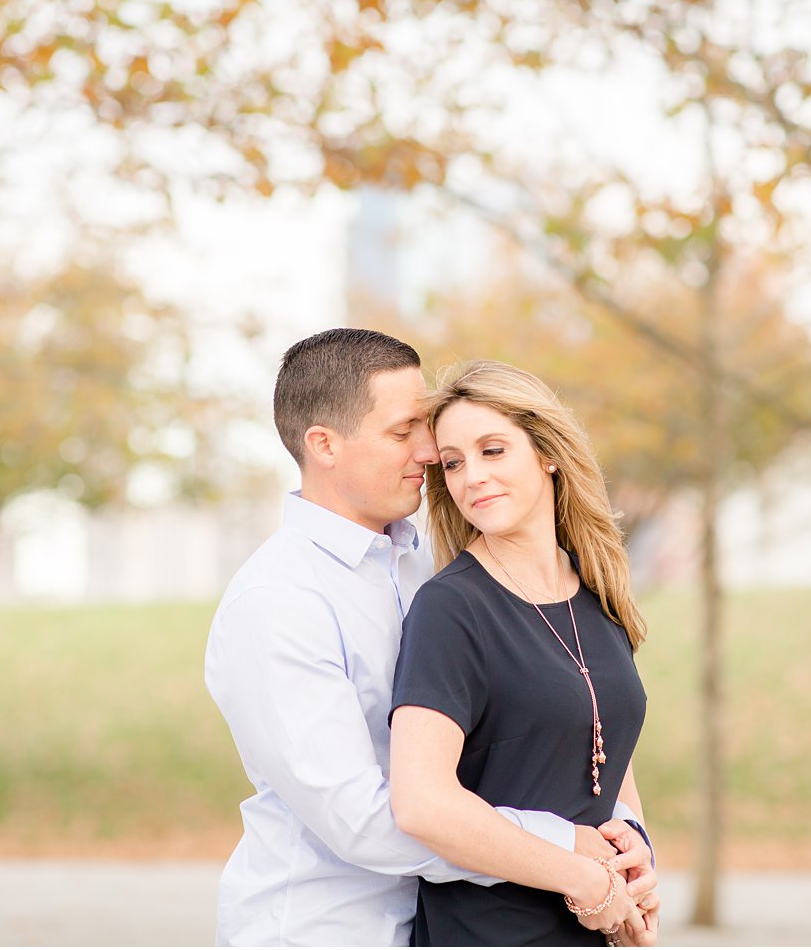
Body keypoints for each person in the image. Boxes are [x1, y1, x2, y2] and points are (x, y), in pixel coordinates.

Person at [204, 330, 655, 946]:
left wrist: (622, 840)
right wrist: (570, 853)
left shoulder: (425, 566)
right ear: (324, 445)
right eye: (402, 432)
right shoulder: (277, 601)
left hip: (442, 918)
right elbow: (361, 819)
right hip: (326, 930)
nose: (427, 451)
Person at [389, 359, 659, 947]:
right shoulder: (450, 609)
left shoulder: (598, 590)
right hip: (489, 929)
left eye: (493, 450)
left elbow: (604, 743)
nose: (471, 478)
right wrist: (587, 881)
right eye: (454, 463)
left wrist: (635, 848)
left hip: (593, 927)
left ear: (548, 452)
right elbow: (421, 803)